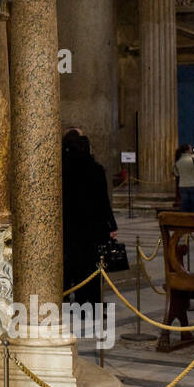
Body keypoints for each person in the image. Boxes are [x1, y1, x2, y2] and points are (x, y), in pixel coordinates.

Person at [62, 129, 118, 308]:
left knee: (75, 265)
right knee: (94, 266)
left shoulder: (63, 170)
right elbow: (103, 201)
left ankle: (77, 302)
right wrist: (112, 226)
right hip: (95, 227)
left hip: (71, 226)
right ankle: (94, 303)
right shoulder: (96, 169)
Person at [174, 144, 194, 212]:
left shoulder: (178, 161)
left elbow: (176, 173)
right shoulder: (193, 160)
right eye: (190, 149)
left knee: (184, 205)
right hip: (193, 185)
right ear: (187, 150)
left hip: (182, 185)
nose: (191, 150)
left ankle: (184, 220)